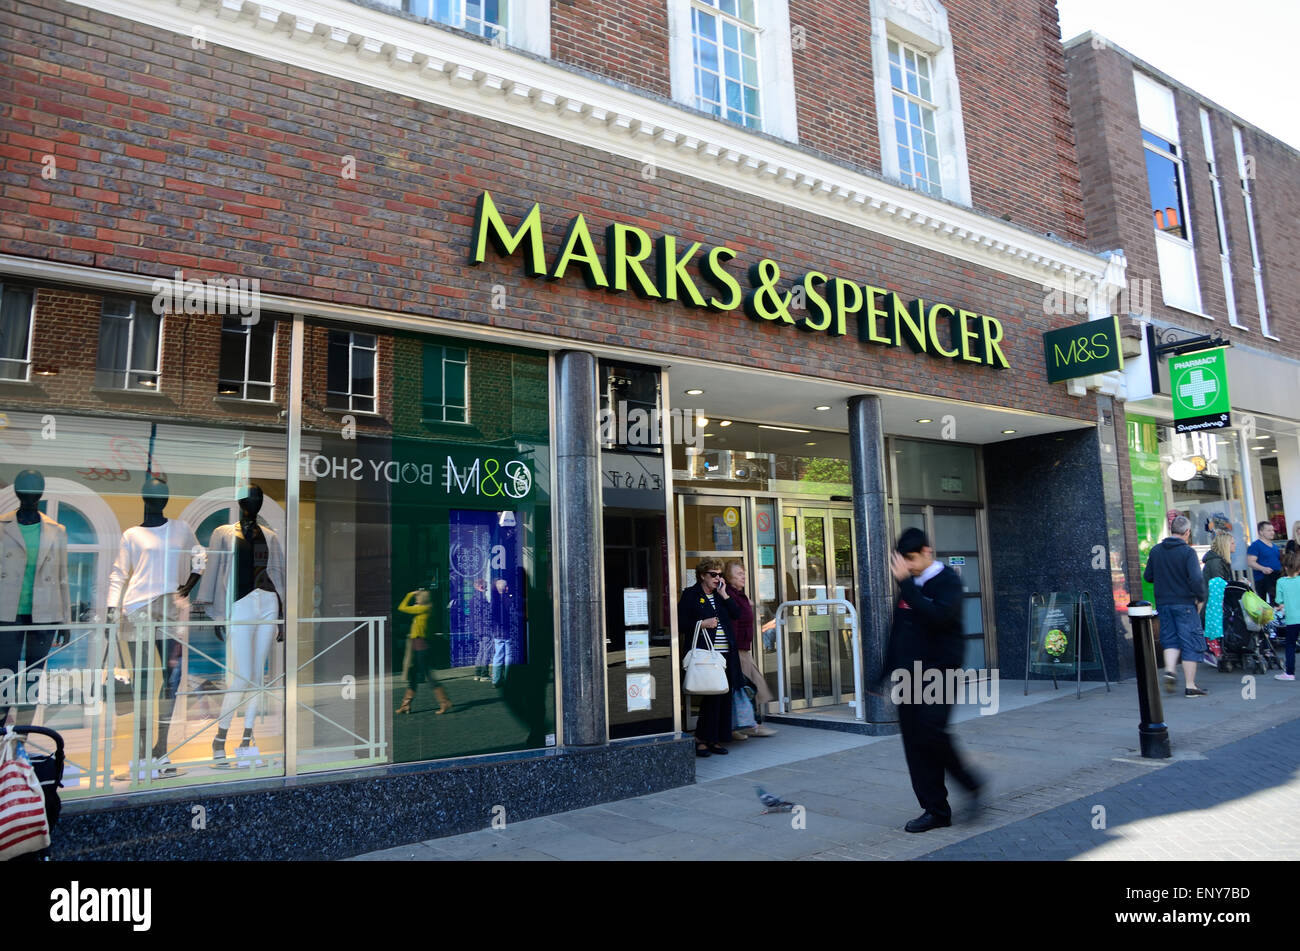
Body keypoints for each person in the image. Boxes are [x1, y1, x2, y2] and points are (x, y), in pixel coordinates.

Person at [885, 528, 982, 833]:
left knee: (932, 732)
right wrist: (883, 672)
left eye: (912, 559)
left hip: (941, 671)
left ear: (928, 551)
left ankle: (969, 784)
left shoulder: (948, 581)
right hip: (908, 676)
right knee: (915, 742)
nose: (910, 566)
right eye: (905, 561)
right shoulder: (910, 584)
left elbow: (939, 617)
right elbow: (898, 630)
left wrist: (907, 585)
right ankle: (935, 810)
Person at [677, 558, 741, 757]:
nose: (717, 578)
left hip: (725, 654)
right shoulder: (691, 595)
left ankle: (714, 739)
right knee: (711, 698)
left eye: (720, 574)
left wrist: (724, 594)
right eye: (713, 574)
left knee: (723, 696)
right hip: (705, 655)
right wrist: (702, 624)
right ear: (702, 576)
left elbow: (737, 614)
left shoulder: (722, 594)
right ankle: (701, 739)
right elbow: (680, 623)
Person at [1143, 515, 1208, 697]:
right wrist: (1200, 597)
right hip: (1185, 603)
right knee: (1189, 642)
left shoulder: (1156, 551)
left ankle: (1170, 670)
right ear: (1187, 532)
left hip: (1163, 604)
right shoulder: (1188, 552)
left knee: (1170, 639)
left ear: (1171, 530)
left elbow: (1148, 576)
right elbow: (1196, 579)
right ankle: (1190, 685)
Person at [722, 561, 775, 738]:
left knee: (752, 686)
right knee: (749, 688)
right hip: (737, 649)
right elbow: (733, 621)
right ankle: (747, 725)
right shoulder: (729, 595)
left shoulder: (738, 595)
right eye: (738, 574)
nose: (743, 576)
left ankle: (739, 725)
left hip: (743, 648)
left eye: (743, 573)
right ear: (729, 577)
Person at [396, 588, 453, 715]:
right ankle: (406, 705)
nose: (416, 599)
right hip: (418, 647)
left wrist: (409, 593)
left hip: (421, 647)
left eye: (418, 597)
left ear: (422, 599)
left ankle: (445, 702)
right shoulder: (425, 608)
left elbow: (402, 607)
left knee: (428, 676)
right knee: (414, 676)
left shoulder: (423, 609)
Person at [1274, 548, 1300, 682]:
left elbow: (1279, 601)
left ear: (1285, 567)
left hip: (1292, 620)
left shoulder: (1281, 582)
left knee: (1290, 645)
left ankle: (1290, 673)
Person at [1247, 520, 1282, 604]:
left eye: (1273, 530)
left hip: (1276, 577)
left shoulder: (1274, 546)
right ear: (1261, 532)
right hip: (1263, 579)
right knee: (1265, 605)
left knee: (1277, 602)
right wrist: (1263, 568)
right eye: (1269, 530)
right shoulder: (1256, 545)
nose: (1272, 532)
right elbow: (1250, 562)